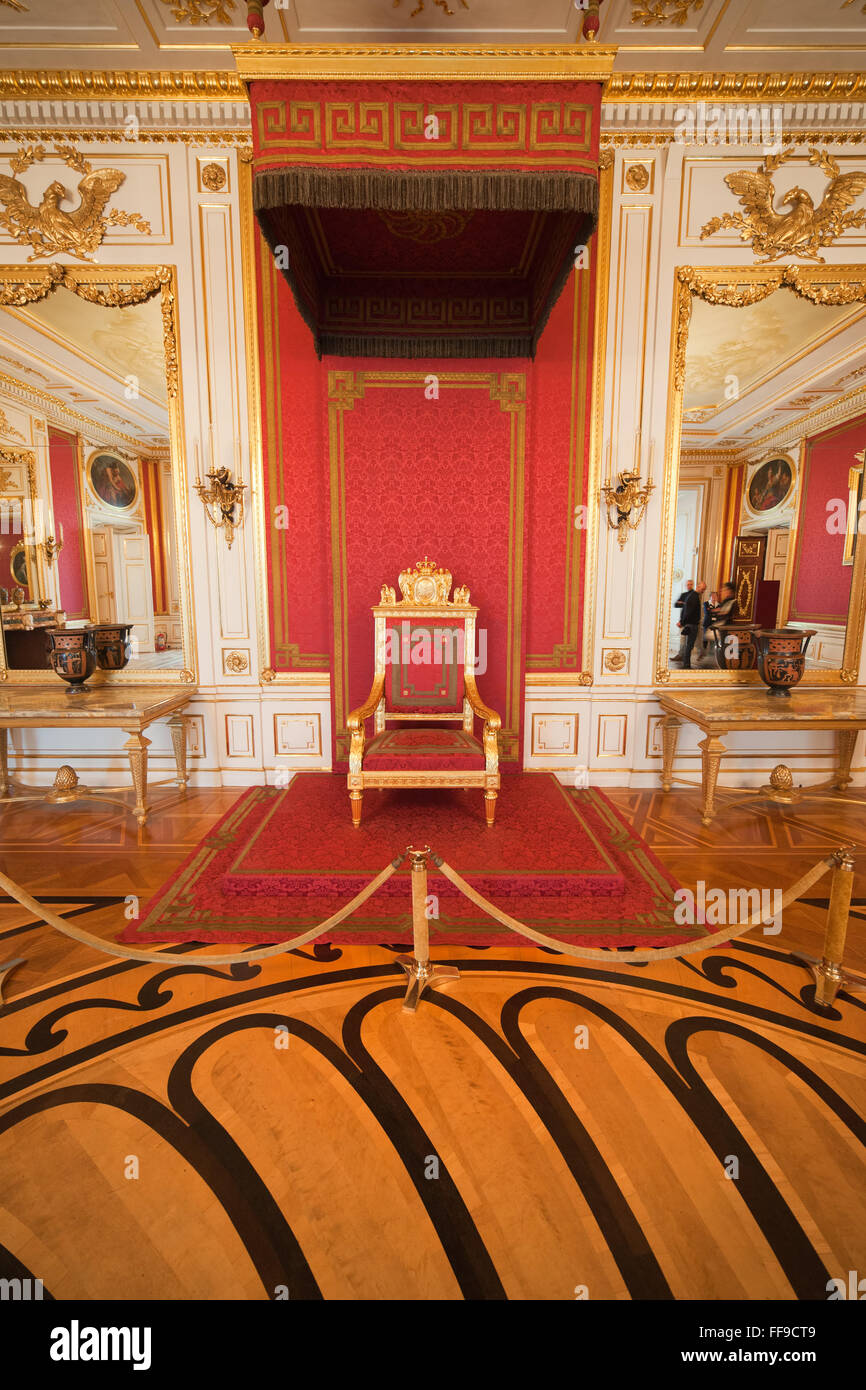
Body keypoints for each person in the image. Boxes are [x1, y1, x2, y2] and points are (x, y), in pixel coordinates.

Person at [678, 580, 705, 669]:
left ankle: (686, 664)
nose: (703, 591)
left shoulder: (693, 596)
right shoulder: (694, 597)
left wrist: (682, 621)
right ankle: (686, 665)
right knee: (689, 645)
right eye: (702, 589)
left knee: (689, 645)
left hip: (690, 624)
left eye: (704, 589)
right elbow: (688, 611)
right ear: (698, 587)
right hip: (692, 625)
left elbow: (686, 609)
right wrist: (682, 622)